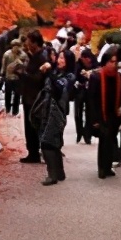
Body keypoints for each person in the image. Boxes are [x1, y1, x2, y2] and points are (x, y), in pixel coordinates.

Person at [33, 48, 76, 185]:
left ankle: (52, 174)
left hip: (57, 111)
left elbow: (58, 88)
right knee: (53, 142)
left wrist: (50, 72)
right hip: (46, 109)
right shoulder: (55, 72)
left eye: (63, 58)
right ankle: (59, 172)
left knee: (47, 142)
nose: (60, 60)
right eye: (59, 57)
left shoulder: (69, 76)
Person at [86, 45, 121, 179]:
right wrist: (94, 120)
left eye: (116, 62)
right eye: (111, 62)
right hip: (101, 114)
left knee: (111, 140)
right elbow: (91, 100)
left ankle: (108, 166)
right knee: (104, 140)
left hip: (114, 114)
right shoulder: (97, 77)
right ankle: (102, 168)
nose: (113, 65)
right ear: (105, 62)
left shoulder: (119, 77)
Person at [18, 30, 51, 164]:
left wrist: (22, 74)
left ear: (35, 43)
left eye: (29, 41)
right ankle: (33, 152)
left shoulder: (41, 58)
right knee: (31, 126)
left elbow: (37, 78)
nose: (27, 44)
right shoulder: (35, 56)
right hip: (31, 96)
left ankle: (34, 153)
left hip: (34, 98)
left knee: (32, 126)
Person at [72, 43, 98, 145]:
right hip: (79, 90)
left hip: (91, 91)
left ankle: (88, 134)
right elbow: (74, 77)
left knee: (89, 113)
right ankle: (79, 132)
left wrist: (90, 74)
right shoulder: (78, 65)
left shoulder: (95, 64)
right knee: (78, 113)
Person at [1, 41, 27, 115]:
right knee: (8, 94)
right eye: (14, 46)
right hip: (9, 77)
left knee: (17, 94)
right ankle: (8, 108)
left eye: (18, 46)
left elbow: (25, 66)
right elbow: (4, 66)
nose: (16, 48)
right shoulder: (7, 54)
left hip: (18, 77)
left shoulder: (23, 55)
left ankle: (15, 111)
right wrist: (2, 74)